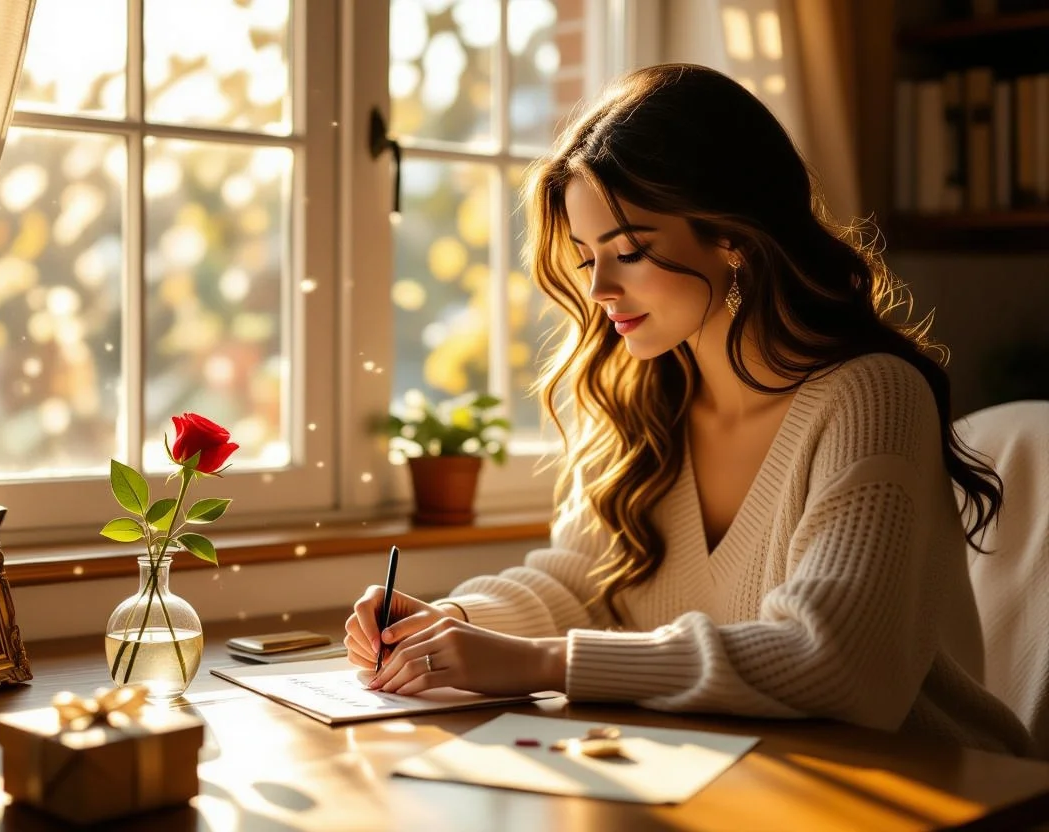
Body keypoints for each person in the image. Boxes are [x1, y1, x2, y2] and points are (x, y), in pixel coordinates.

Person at [345, 63, 1032, 755]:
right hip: (738, 778)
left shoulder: (872, 397)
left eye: (632, 252)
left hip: (929, 789)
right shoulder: (639, 402)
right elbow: (580, 584)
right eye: (586, 259)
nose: (601, 288)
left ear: (732, 237)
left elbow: (834, 661)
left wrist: (544, 662)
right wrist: (447, 623)